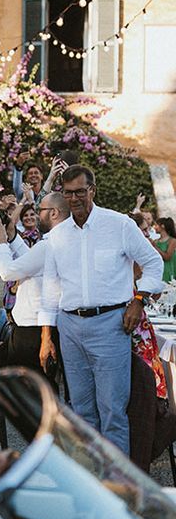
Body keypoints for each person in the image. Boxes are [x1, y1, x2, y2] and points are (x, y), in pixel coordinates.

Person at [39, 165, 163, 455]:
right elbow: (50, 287)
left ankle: (115, 488)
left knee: (113, 412)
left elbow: (153, 262)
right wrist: (46, 336)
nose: (74, 198)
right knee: (81, 412)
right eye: (68, 193)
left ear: (92, 190)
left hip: (111, 324)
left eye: (80, 192)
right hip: (69, 326)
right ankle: (90, 481)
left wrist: (139, 299)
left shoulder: (119, 225)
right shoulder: (57, 236)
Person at [0, 193, 70, 383]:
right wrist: (11, 235)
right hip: (40, 325)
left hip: (32, 330)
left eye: (40, 210)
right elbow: (31, 261)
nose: (35, 214)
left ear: (54, 213)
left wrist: (1, 243)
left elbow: (8, 272)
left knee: (30, 390)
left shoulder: (48, 245)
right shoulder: (59, 241)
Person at [152, 217, 176, 282]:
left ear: (163, 226)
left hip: (167, 272)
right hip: (157, 272)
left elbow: (167, 257)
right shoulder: (155, 241)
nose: (154, 227)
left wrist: (155, 247)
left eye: (156, 225)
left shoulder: (172, 241)